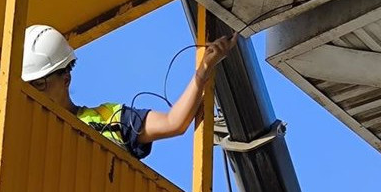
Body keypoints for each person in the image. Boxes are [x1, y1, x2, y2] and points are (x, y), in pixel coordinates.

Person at [21, 25, 235, 158]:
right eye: (27, 86)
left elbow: (174, 122)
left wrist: (204, 70)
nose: (33, 93)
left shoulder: (110, 119)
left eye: (39, 84)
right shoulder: (18, 130)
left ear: (65, 80)